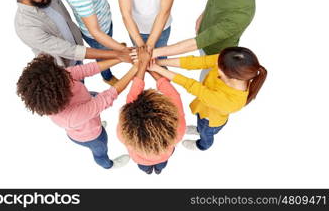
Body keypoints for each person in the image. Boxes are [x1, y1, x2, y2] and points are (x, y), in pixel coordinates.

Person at [17, 54, 139, 169]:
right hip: (91, 136)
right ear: (59, 93)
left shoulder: (58, 77)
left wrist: (121, 58)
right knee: (101, 150)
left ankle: (97, 125)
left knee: (94, 109)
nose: (66, 74)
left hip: (86, 114)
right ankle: (108, 165)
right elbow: (108, 96)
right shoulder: (70, 116)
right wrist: (135, 69)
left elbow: (87, 69)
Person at [153, 0, 255, 79]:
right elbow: (216, 0)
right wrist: (203, 16)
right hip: (203, 39)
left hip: (216, 54)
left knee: (204, 84)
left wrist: (154, 52)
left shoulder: (242, 12)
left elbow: (195, 43)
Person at [9, 0, 131, 68]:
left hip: (80, 53)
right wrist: (117, 54)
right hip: (64, 68)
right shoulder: (25, 27)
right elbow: (71, 51)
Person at [149, 47, 267, 151]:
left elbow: (191, 85)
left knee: (206, 133)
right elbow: (195, 62)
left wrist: (158, 69)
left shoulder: (230, 101)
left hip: (211, 120)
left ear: (233, 78)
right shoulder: (227, 62)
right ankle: (198, 130)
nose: (216, 65)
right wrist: (159, 62)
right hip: (203, 109)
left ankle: (202, 146)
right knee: (200, 124)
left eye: (220, 70)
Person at [117, 46, 185, 174]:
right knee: (162, 165)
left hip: (140, 159)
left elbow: (131, 97)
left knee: (144, 167)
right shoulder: (178, 129)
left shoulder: (123, 132)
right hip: (164, 155)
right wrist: (149, 67)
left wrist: (143, 65)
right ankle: (159, 170)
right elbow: (173, 95)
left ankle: (147, 171)